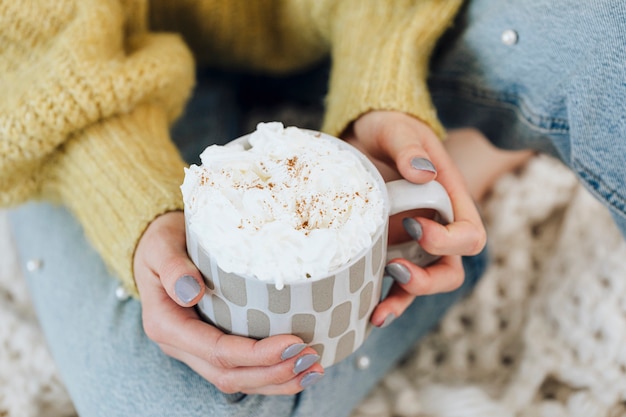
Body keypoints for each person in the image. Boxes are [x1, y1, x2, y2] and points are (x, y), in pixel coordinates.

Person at [1, 1, 623, 416]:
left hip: (348, 13)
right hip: (74, 71)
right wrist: (121, 188)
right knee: (166, 402)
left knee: (606, 36)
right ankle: (469, 167)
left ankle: (434, 187)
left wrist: (380, 75)